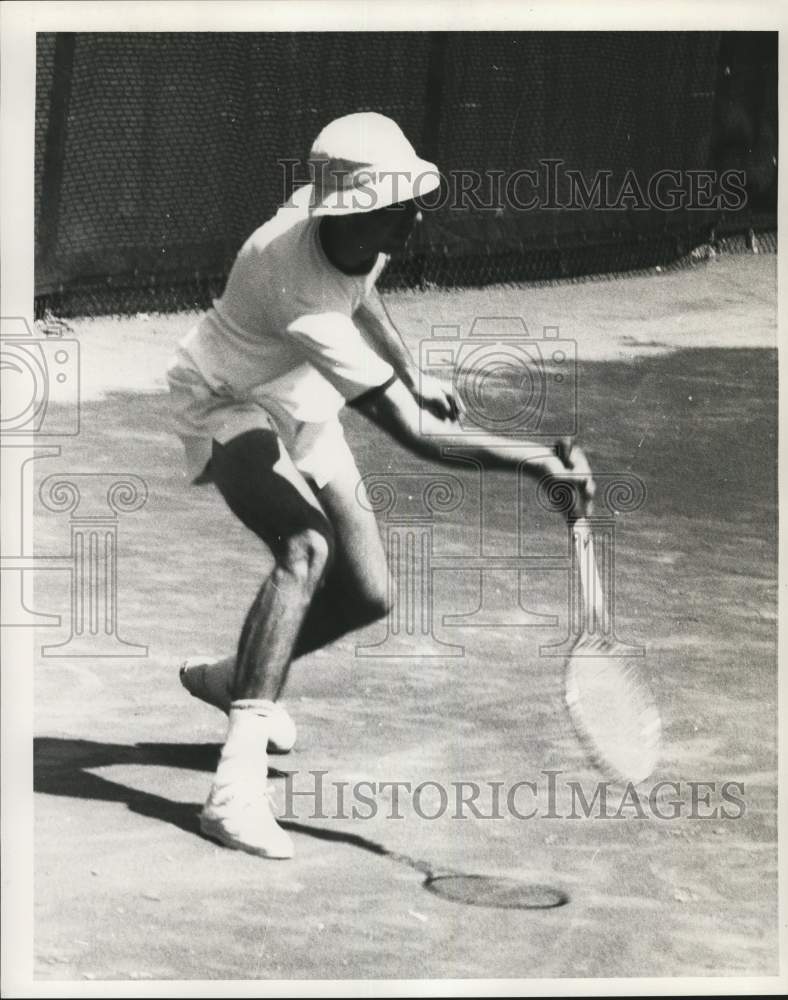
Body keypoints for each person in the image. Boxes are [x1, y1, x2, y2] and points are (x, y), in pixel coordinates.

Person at [167, 112, 594, 859]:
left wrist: (410, 369)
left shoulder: (349, 230)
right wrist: (536, 463)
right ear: (359, 207)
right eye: (402, 200)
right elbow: (414, 435)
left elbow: (359, 289)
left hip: (296, 393)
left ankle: (237, 674)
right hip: (225, 396)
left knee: (369, 592)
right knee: (305, 548)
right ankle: (232, 794)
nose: (418, 211)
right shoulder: (296, 289)